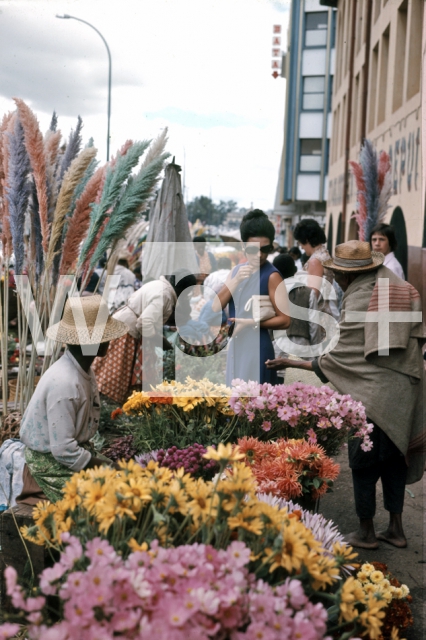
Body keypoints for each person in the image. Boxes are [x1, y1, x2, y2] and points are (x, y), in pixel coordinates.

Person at [266, 240, 425, 549]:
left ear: (350, 275)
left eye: (337, 274)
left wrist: (293, 361)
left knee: (363, 461)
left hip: (371, 394)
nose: (335, 278)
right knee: (394, 459)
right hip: (404, 391)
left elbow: (343, 355)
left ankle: (366, 532)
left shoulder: (360, 297)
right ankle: (396, 529)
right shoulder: (398, 285)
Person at [17, 295, 128, 504]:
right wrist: (108, 467)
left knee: (127, 478)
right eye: (105, 335)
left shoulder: (81, 369)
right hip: (49, 463)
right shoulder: (65, 383)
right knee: (112, 498)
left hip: (64, 454)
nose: (110, 340)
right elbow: (63, 451)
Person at [93, 270, 197, 403]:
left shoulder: (160, 287)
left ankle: (104, 403)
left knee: (105, 371)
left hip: (124, 326)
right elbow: (144, 323)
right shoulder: (164, 295)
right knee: (112, 376)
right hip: (126, 332)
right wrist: (160, 341)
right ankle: (105, 405)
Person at [214, 209, 290, 385]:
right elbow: (216, 306)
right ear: (243, 246)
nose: (259, 255)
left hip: (258, 348)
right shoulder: (236, 271)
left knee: (253, 407)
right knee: (234, 403)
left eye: (265, 249)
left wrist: (251, 322)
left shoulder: (272, 276)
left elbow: (285, 320)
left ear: (272, 247)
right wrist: (236, 280)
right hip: (237, 345)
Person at [293, 218, 339, 321]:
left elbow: (312, 296)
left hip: (319, 315)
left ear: (307, 240)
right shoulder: (324, 253)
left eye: (301, 242)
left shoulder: (315, 260)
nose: (301, 247)